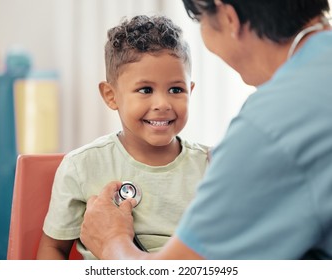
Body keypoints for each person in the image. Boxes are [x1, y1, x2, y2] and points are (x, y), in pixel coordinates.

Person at [80, 0, 332, 260]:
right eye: (145, 90)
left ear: (228, 18)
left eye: (200, 23)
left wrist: (111, 240)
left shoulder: (270, 125)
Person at [36, 15, 210, 260]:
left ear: (190, 91)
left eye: (176, 89)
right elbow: (53, 249)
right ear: (111, 96)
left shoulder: (211, 165)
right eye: (145, 90)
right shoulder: (81, 167)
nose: (162, 103)